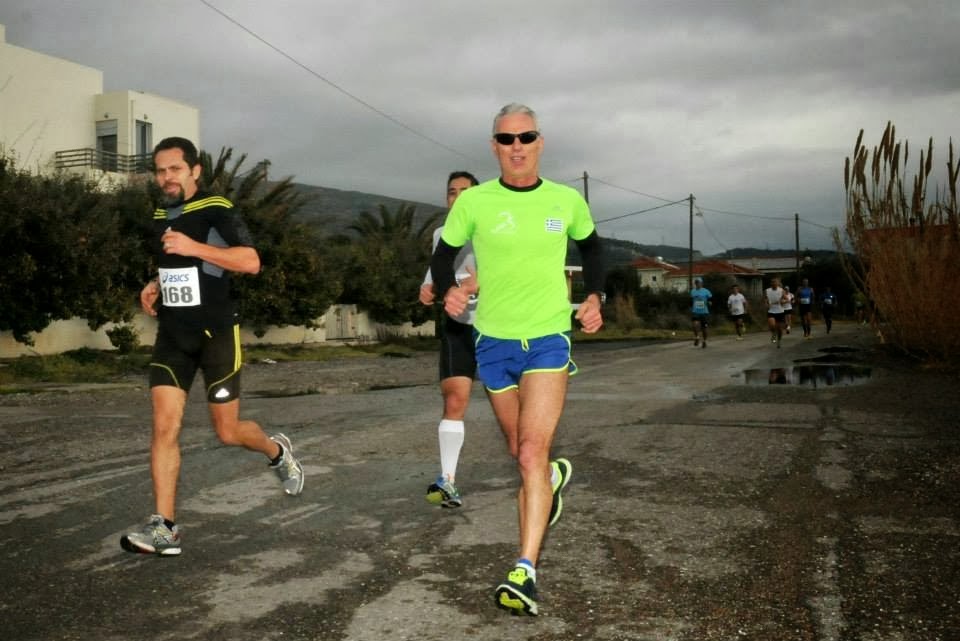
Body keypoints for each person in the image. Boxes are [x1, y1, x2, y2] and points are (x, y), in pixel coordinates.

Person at [430, 103, 604, 617]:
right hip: (493, 344)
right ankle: (549, 480)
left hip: (549, 339)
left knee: (530, 452)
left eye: (526, 136)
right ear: (494, 147)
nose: (517, 146)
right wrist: (447, 292)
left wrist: (594, 297)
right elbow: (444, 256)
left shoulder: (566, 200)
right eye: (506, 139)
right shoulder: (476, 202)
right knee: (518, 449)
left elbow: (594, 250)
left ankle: (524, 570)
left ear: (540, 141)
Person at [121, 137, 304, 556]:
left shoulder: (216, 208)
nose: (166, 177)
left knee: (227, 431)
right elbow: (180, 265)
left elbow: (251, 261)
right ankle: (164, 528)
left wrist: (193, 246)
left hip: (217, 335)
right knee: (164, 426)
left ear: (194, 171)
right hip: (173, 335)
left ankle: (277, 452)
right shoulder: (159, 212)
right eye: (160, 170)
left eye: (175, 169)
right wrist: (154, 284)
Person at [418, 170, 480, 508]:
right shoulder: (442, 233)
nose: (457, 198)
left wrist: (476, 284)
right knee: (454, 398)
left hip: (496, 327)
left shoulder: (490, 228)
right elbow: (435, 272)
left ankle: (539, 472)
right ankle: (448, 481)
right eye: (451, 192)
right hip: (457, 325)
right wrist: (427, 290)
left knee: (514, 410)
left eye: (464, 192)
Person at [764, 277, 787, 348]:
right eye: (772, 282)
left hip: (780, 311)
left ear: (778, 283)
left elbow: (786, 299)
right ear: (771, 283)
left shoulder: (781, 290)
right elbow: (765, 299)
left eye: (775, 282)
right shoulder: (767, 291)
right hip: (771, 311)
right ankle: (774, 333)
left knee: (780, 329)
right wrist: (766, 304)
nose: (774, 283)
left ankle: (779, 341)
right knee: (772, 325)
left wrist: (782, 301)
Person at [690, 277, 712, 348]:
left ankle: (704, 341)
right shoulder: (693, 291)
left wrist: (709, 302)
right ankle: (697, 337)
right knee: (694, 325)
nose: (697, 284)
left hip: (704, 312)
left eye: (698, 282)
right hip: (695, 311)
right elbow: (691, 300)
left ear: (701, 283)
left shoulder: (706, 291)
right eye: (696, 282)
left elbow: (710, 299)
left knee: (704, 328)